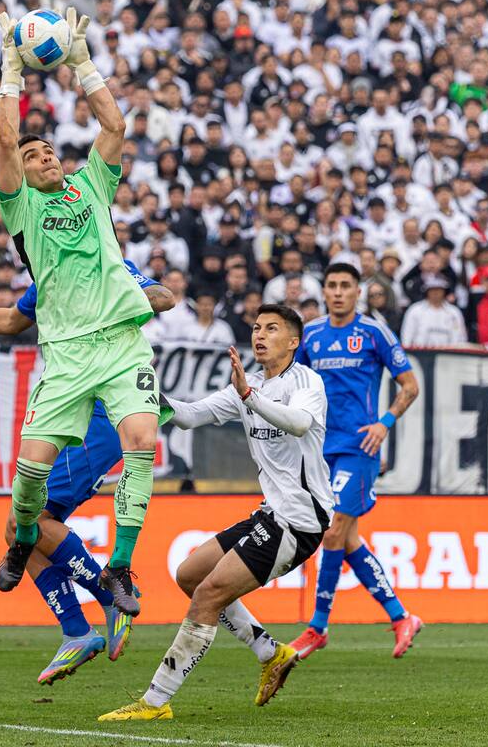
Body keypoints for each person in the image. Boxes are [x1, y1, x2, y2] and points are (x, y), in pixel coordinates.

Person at [0, 257, 174, 683]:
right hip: (69, 410)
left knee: (30, 523)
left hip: (101, 414)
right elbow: (10, 320)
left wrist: (109, 297)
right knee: (19, 528)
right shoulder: (49, 273)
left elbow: (163, 297)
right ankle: (79, 628)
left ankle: (105, 598)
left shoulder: (106, 262)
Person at [0, 7, 159, 614]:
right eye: (36, 157)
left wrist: (84, 65)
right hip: (65, 352)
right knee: (30, 476)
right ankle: (26, 538)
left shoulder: (91, 186)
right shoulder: (24, 212)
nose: (46, 159)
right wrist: (12, 71)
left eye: (49, 153)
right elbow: (6, 140)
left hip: (120, 342)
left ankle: (118, 569)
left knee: (142, 441)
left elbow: (114, 125)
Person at [99, 306, 331, 721]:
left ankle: (155, 702)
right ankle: (270, 652)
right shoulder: (249, 384)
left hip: (300, 521)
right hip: (270, 514)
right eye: (257, 328)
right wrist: (144, 396)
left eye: (272, 329)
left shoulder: (306, 382)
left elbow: (298, 424)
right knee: (189, 575)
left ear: (293, 341)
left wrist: (248, 397)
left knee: (208, 595)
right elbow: (189, 416)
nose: (260, 335)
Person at [291, 263, 422, 659]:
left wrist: (383, 424)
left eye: (345, 286)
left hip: (360, 447)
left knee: (330, 532)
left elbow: (410, 385)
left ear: (357, 292)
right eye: (331, 286)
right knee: (347, 540)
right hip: (319, 449)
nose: (338, 292)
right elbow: (296, 386)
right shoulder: (311, 334)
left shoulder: (373, 332)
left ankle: (317, 627)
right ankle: (401, 617)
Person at [400, 276, 467, 347]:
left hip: (449, 355)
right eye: (432, 289)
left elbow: (461, 338)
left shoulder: (454, 312)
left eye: (439, 289)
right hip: (420, 355)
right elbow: (406, 336)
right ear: (427, 291)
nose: (435, 292)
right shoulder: (415, 310)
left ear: (444, 291)